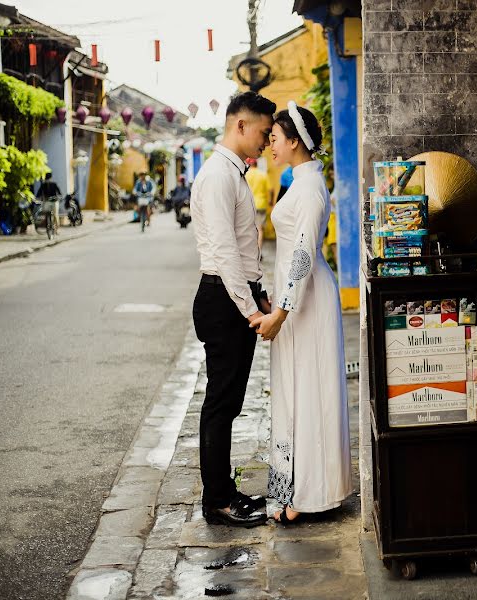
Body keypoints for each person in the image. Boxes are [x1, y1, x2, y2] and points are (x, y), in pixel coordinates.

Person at [250, 100, 351, 525]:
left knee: (310, 393)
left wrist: (281, 313)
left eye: (274, 138)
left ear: (294, 141)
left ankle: (312, 495)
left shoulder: (310, 188)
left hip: (309, 303)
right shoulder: (300, 181)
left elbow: (303, 255)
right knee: (293, 392)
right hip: (296, 302)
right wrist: (278, 302)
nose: (269, 144)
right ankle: (291, 492)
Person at [191, 91, 277, 527]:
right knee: (220, 405)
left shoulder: (233, 174)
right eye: (263, 131)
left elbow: (243, 253)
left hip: (233, 296)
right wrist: (249, 310)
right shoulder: (218, 177)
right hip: (222, 300)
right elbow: (225, 254)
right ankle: (218, 502)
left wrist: (259, 296)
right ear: (240, 125)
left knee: (229, 403)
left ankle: (224, 490)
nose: (266, 140)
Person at [244, 157, 273, 252]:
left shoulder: (245, 175)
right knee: (259, 229)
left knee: (248, 229)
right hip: (261, 204)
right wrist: (271, 201)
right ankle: (258, 252)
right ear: (257, 164)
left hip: (247, 204)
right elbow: (271, 190)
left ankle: (249, 252)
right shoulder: (262, 174)